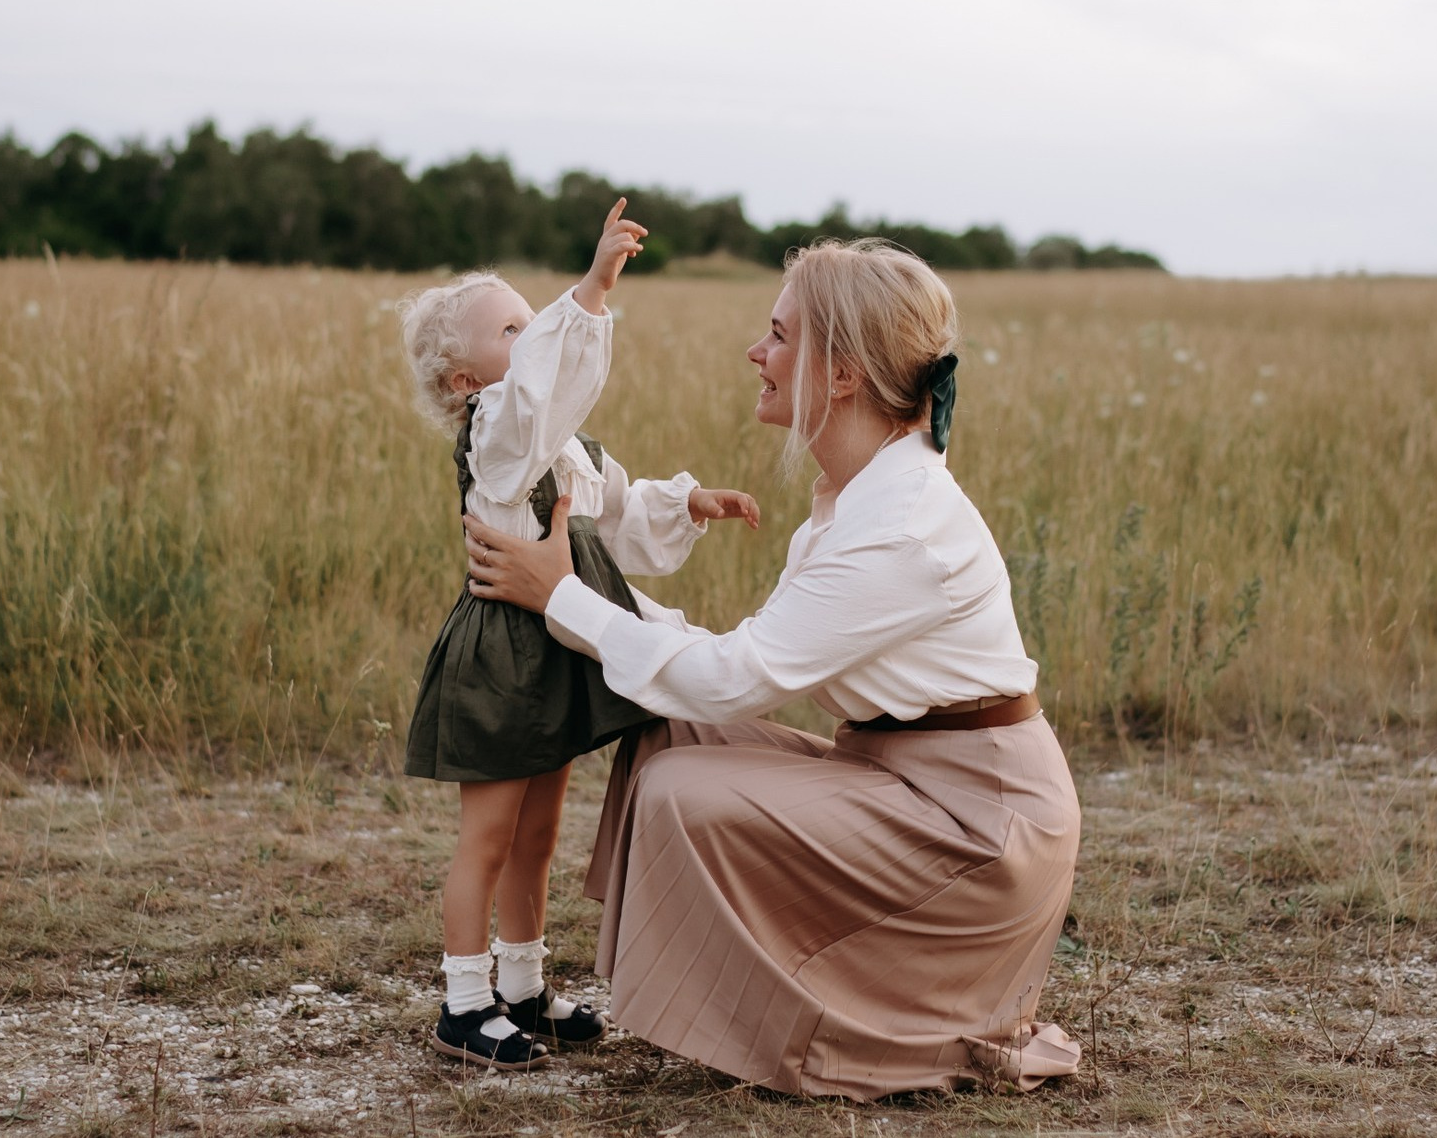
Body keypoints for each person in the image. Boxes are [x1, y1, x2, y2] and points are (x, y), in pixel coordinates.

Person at [459, 238, 1082, 1100]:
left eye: (779, 336)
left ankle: (862, 1018)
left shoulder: (899, 528)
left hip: (976, 834)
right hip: (904, 780)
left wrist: (561, 598)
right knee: (662, 728)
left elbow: (729, 678)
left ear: (840, 375)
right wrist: (571, 589)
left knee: (684, 786)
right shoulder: (855, 495)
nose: (757, 353)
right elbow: (719, 671)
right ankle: (737, 992)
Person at [401, 199, 761, 1072]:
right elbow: (536, 393)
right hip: (503, 658)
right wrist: (591, 293)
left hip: (562, 648)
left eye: (533, 321)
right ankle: (462, 1002)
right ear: (464, 384)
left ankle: (522, 986)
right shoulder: (498, 438)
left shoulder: (562, 446)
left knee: (538, 834)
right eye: (511, 329)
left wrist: (686, 502)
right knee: (487, 836)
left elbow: (616, 516)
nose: (532, 337)